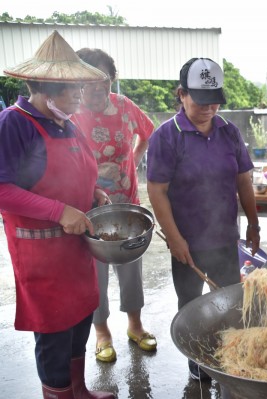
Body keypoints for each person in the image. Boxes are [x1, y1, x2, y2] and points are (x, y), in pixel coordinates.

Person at [0, 31, 115, 399]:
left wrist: (93, 192)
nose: (81, 97)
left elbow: (80, 173)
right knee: (53, 333)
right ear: (47, 89)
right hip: (42, 255)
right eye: (74, 90)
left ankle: (78, 389)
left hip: (77, 249)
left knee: (80, 319)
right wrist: (58, 209)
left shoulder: (68, 122)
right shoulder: (14, 123)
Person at [146, 57, 260, 381]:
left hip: (224, 237)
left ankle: (228, 358)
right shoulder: (167, 136)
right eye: (200, 100)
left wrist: (252, 223)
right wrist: (175, 238)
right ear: (181, 93)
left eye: (214, 100)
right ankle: (198, 364)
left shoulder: (229, 132)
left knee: (229, 302)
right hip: (187, 241)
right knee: (191, 304)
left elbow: (243, 181)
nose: (209, 107)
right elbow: (156, 191)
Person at [72, 48, 157, 364]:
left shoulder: (124, 107)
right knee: (96, 273)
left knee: (131, 267)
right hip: (90, 208)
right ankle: (102, 332)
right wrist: (95, 176)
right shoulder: (72, 113)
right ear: (79, 81)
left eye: (104, 80)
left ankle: (135, 326)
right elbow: (66, 163)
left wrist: (133, 160)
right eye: (91, 81)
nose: (98, 88)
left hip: (127, 204)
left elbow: (147, 134)